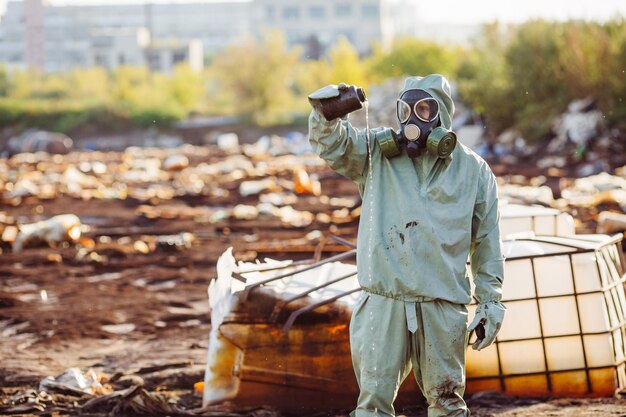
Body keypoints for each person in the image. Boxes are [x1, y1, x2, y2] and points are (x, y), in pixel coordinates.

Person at [307, 74, 505, 417]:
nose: (414, 119)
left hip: (442, 304)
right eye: (406, 109)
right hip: (384, 301)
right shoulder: (375, 155)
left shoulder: (473, 170)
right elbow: (333, 145)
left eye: (425, 109)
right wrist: (327, 112)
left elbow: (487, 241)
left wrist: (490, 302)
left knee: (446, 403)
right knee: (373, 405)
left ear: (442, 114)